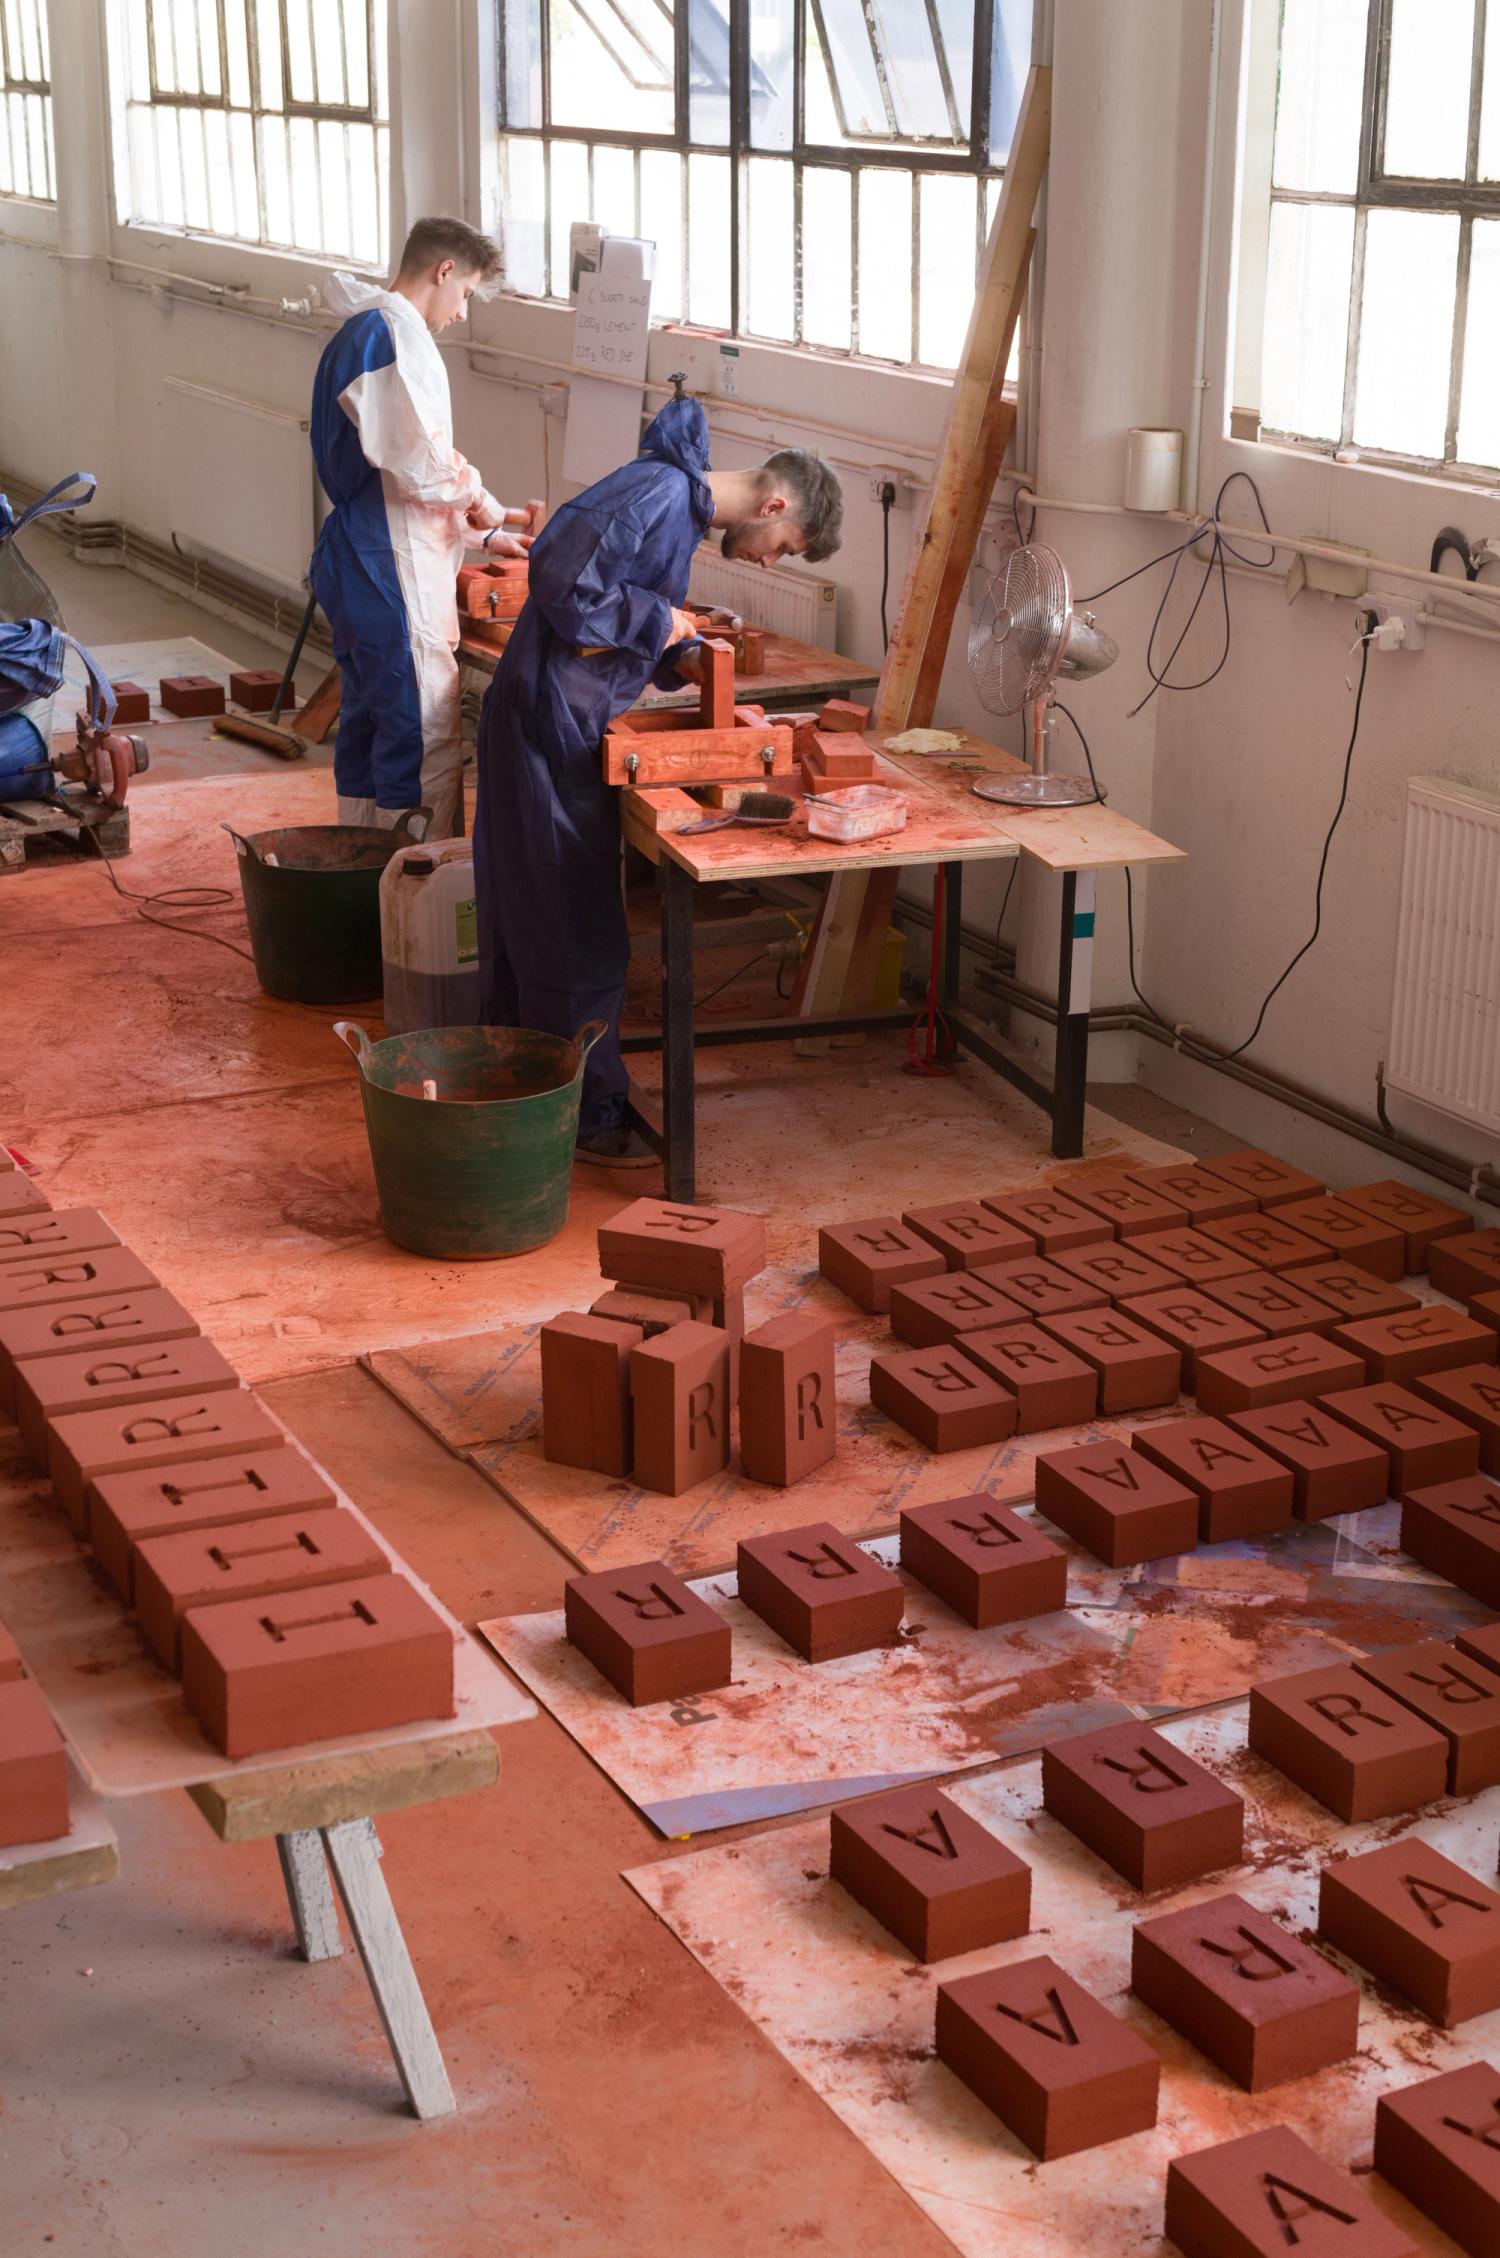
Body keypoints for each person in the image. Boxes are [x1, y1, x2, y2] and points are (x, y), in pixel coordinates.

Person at [473, 388, 843, 1165]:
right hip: (548, 719)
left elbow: (613, 608)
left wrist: (680, 651)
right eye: (785, 544)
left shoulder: (675, 503)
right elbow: (559, 577)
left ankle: (525, 1080)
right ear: (773, 503)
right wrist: (657, 621)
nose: (772, 559)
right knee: (571, 929)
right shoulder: (661, 491)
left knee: (534, 913)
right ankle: (581, 1114)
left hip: (562, 715)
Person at [308, 216, 541, 838]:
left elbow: (394, 483)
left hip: (366, 548)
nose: (462, 313)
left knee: (369, 719)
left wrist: (486, 539)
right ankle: (420, 895)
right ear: (443, 271)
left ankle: (361, 873)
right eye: (465, 293)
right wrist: (483, 500)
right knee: (419, 729)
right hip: (387, 562)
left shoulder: (367, 330)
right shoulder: (390, 334)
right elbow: (420, 463)